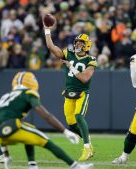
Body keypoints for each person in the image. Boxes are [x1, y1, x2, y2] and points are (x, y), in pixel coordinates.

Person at [0, 71, 93, 169]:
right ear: (30, 82)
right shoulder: (28, 93)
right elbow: (46, 116)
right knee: (47, 142)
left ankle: (32, 164)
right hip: (12, 128)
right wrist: (65, 131)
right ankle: (75, 166)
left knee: (30, 129)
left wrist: (5, 153)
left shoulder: (6, 96)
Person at [44, 23, 97, 161]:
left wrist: (71, 67)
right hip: (69, 93)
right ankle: (89, 144)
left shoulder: (91, 60)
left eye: (80, 43)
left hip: (82, 93)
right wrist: (47, 30)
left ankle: (86, 148)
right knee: (71, 123)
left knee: (79, 116)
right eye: (77, 43)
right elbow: (51, 47)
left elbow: (85, 78)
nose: (77, 45)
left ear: (87, 45)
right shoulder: (68, 54)